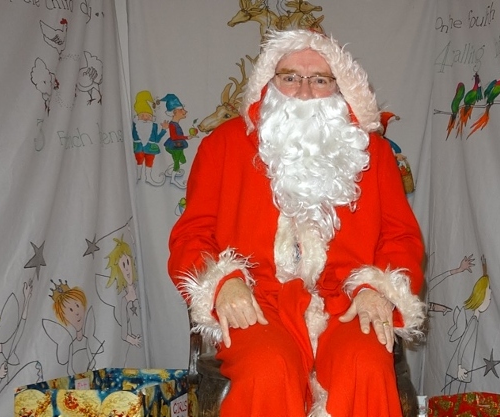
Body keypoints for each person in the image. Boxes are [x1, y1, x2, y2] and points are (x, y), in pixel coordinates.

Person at [168, 29, 426, 417]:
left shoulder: (374, 153)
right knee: (267, 369)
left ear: (340, 87)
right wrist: (224, 283)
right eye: (290, 77)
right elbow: (192, 234)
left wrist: (378, 289)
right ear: (268, 82)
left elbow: (401, 237)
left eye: (319, 80)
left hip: (347, 304)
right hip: (259, 302)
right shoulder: (223, 146)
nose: (304, 92)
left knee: (366, 366)